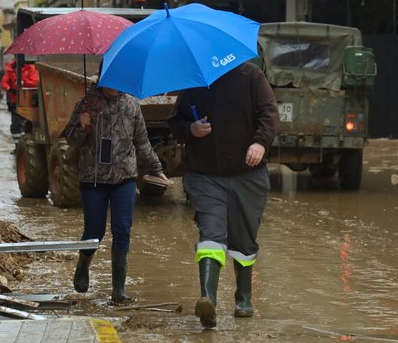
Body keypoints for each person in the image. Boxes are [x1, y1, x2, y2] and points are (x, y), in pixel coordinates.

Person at [167, 61, 280, 328]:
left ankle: (243, 299)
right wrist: (190, 130)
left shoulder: (251, 76)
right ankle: (208, 300)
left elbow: (270, 115)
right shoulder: (194, 81)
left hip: (248, 175)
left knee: (244, 240)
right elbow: (175, 122)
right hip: (205, 176)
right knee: (211, 234)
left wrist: (260, 142)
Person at [65, 66, 169, 304]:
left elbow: (142, 142)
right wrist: (82, 125)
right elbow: (71, 140)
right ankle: (83, 265)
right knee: (94, 232)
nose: (113, 84)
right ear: (101, 79)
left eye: (117, 78)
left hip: (125, 177)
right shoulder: (86, 104)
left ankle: (118, 291)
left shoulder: (131, 105)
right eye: (108, 79)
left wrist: (157, 169)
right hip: (93, 179)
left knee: (122, 230)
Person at [0, 59, 39, 152]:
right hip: (14, 101)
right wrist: (9, 88)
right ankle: (18, 146)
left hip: (27, 102)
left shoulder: (30, 68)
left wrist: (23, 82)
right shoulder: (10, 69)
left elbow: (35, 81)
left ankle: (27, 146)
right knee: (15, 125)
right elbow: (4, 82)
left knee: (27, 124)